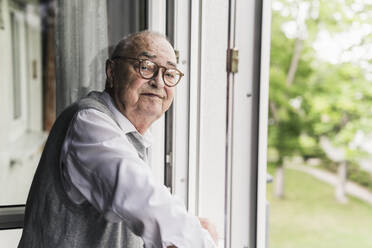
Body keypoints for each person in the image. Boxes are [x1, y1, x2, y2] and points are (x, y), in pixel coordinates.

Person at [18, 31, 218, 248]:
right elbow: (144, 199)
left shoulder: (129, 134)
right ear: (112, 72)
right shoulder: (88, 123)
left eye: (169, 73)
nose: (159, 82)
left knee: (204, 226)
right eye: (146, 66)